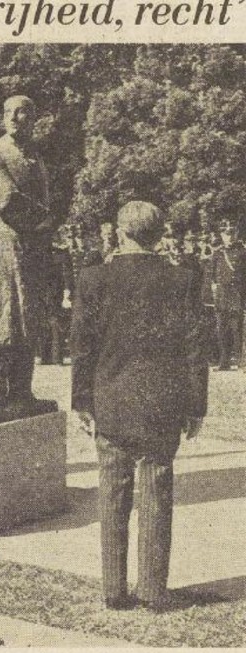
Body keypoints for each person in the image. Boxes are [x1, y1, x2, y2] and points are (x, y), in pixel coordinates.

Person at [71, 201, 208, 611]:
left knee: (112, 491)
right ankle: (151, 589)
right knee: (157, 491)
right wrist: (196, 405)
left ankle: (113, 589)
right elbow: (195, 349)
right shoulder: (182, 280)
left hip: (110, 399)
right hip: (162, 403)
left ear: (120, 231)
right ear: (159, 233)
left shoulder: (93, 279)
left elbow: (81, 347)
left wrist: (81, 401)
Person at [0, 95, 52, 412]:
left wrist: (44, 218)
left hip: (33, 248)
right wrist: (43, 217)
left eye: (21, 113)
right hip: (5, 246)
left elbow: (47, 199)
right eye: (8, 112)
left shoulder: (36, 157)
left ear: (32, 119)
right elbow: (5, 199)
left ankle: (23, 390)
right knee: (2, 316)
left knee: (29, 319)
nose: (13, 117)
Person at [211, 219, 246, 370]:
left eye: (232, 233)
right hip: (222, 295)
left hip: (237, 293)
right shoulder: (218, 253)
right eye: (226, 234)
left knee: (237, 328)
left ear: (236, 233)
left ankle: (241, 361)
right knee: (221, 328)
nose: (229, 236)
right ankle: (224, 361)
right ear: (221, 235)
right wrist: (212, 294)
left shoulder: (243, 252)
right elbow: (212, 275)